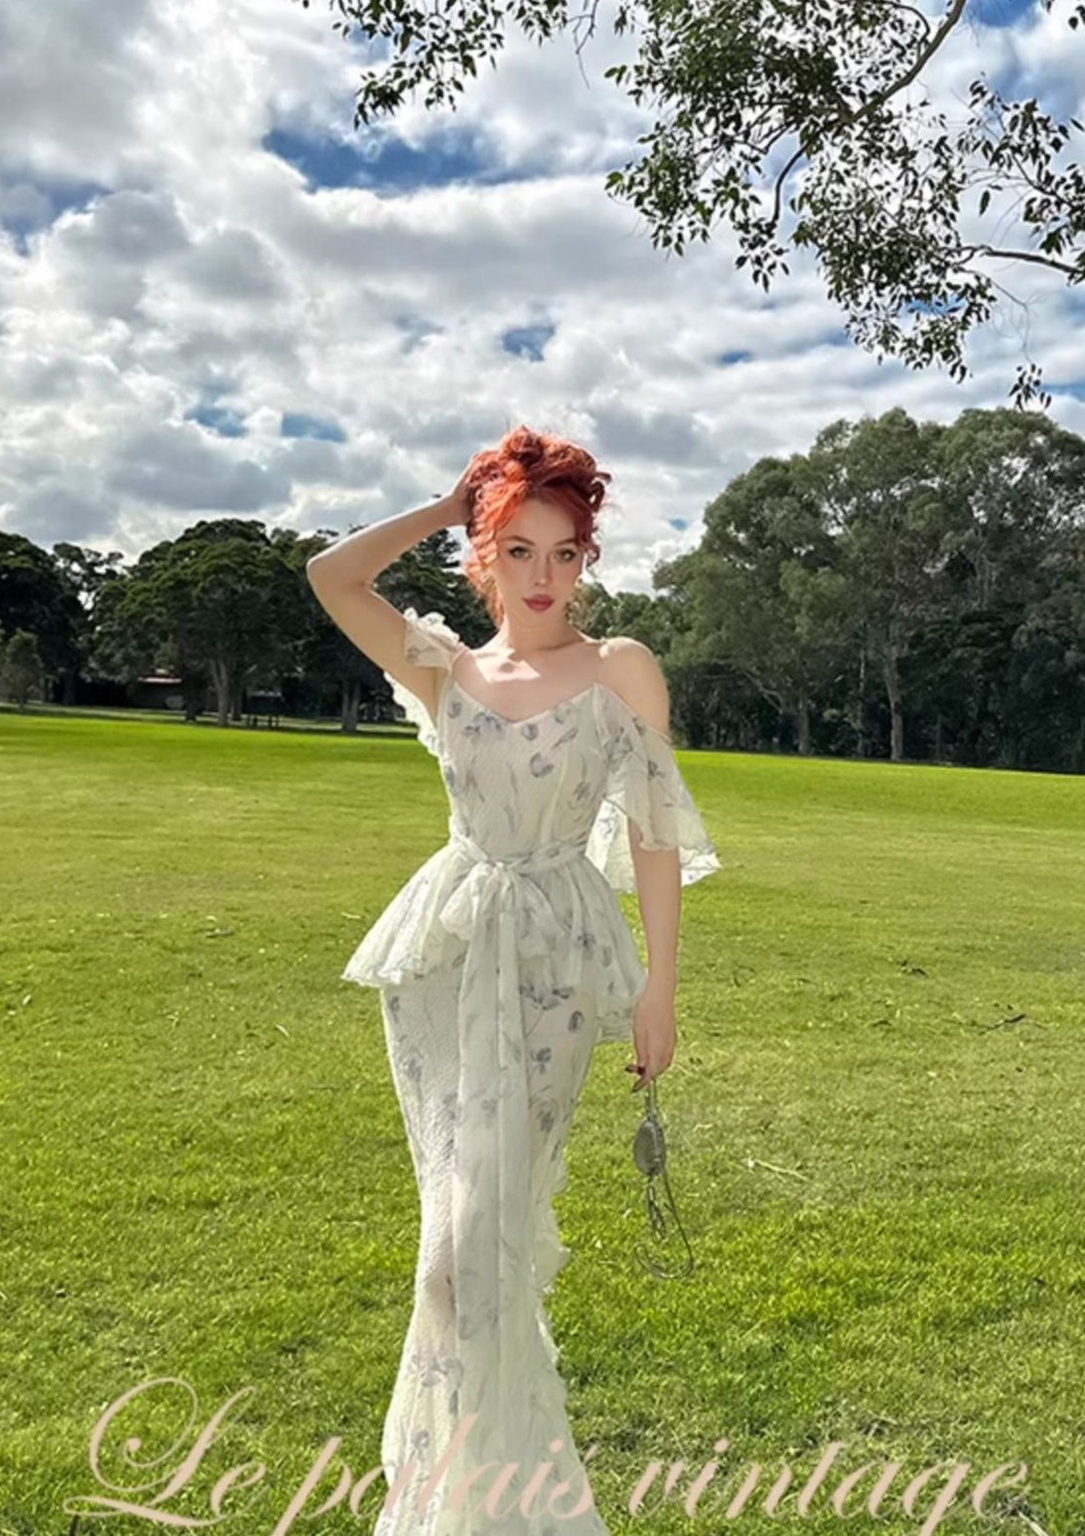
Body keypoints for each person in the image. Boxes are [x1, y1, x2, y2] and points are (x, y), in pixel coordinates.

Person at [306, 426, 720, 1536]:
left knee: (473, 1247)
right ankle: (469, 1500)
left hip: (555, 966)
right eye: (517, 550)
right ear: (482, 558)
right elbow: (331, 576)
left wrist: (659, 987)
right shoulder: (445, 667)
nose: (544, 577)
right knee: (450, 1235)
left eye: (564, 552)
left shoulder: (619, 667)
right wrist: (449, 506)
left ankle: (489, 1501)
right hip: (444, 965)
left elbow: (651, 835)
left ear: (587, 558)